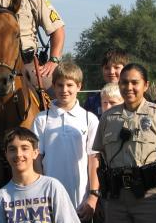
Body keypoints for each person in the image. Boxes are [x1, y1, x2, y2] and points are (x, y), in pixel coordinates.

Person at [92, 63, 156, 223]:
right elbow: (101, 155)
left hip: (149, 197)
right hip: (116, 198)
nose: (129, 87)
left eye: (135, 82)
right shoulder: (108, 117)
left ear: (146, 85)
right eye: (124, 82)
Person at [31, 61, 99, 221]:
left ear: (79, 86)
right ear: (53, 86)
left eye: (70, 85)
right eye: (60, 85)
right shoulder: (42, 118)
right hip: (49, 197)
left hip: (81, 200)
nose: (64, 90)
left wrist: (93, 196)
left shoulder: (90, 119)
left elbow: (93, 161)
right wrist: (40, 191)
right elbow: (36, 159)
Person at [0, 127, 80, 223]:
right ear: (6, 154)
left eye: (24, 148)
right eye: (12, 149)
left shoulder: (52, 187)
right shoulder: (1, 196)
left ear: (35, 153)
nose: (18, 154)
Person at [84, 48, 128, 117]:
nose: (111, 72)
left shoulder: (133, 98)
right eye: (107, 68)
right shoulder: (92, 101)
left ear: (125, 69)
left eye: (116, 67)